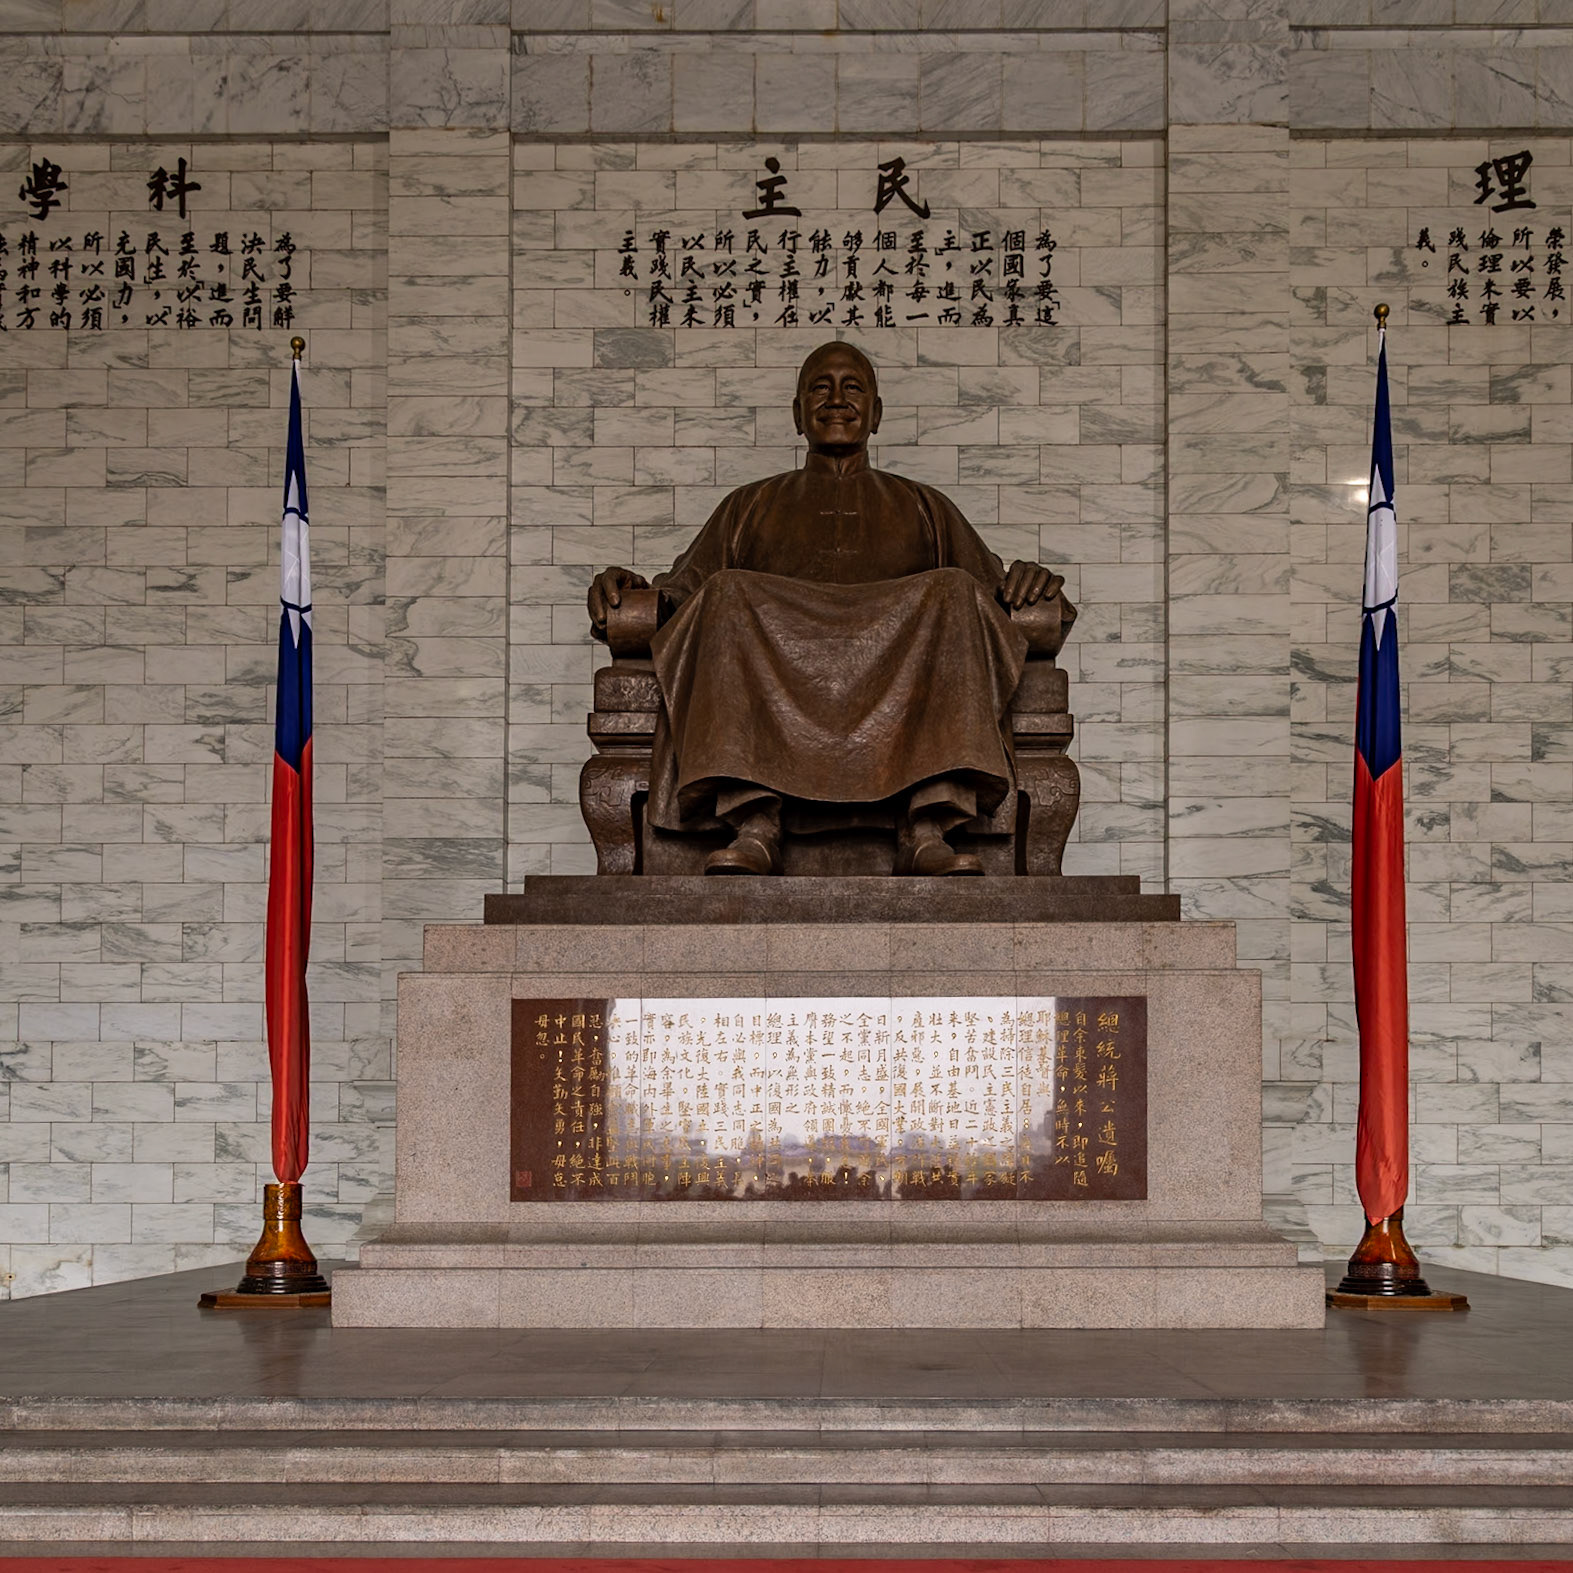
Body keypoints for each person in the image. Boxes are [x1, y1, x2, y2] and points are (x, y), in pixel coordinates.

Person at [587, 341, 1073, 877]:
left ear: (877, 414)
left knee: (955, 591)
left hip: (902, 668)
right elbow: (683, 595)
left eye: (853, 387)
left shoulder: (925, 506)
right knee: (725, 593)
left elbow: (993, 595)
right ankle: (755, 821)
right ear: (797, 415)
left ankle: (926, 823)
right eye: (820, 387)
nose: (836, 399)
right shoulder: (748, 506)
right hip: (772, 665)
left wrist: (1032, 585)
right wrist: (630, 590)